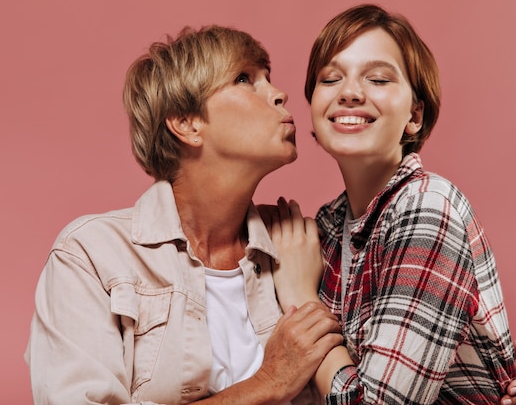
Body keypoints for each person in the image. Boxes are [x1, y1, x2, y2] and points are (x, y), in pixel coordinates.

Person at [24, 25, 343, 405]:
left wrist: (303, 293)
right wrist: (268, 382)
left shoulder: (298, 246)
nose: (279, 93)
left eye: (267, 77)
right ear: (187, 123)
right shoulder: (91, 256)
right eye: (244, 78)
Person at [267, 4, 516, 404]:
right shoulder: (323, 229)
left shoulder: (428, 208)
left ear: (414, 116)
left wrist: (301, 300)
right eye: (330, 78)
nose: (350, 92)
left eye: (377, 78)